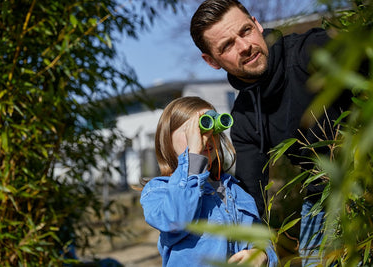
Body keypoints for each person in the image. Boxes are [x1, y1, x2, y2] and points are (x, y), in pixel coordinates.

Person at [190, 0, 353, 266]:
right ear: (211, 61)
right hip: (323, 200)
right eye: (227, 46)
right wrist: (258, 249)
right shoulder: (243, 119)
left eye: (245, 31)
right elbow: (250, 197)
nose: (245, 47)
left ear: (257, 24)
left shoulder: (312, 51)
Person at [140, 96, 278, 267]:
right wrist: (193, 160)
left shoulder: (234, 189)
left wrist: (261, 254)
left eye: (211, 126)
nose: (204, 136)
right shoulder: (159, 190)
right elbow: (175, 219)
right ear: (168, 140)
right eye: (194, 130)